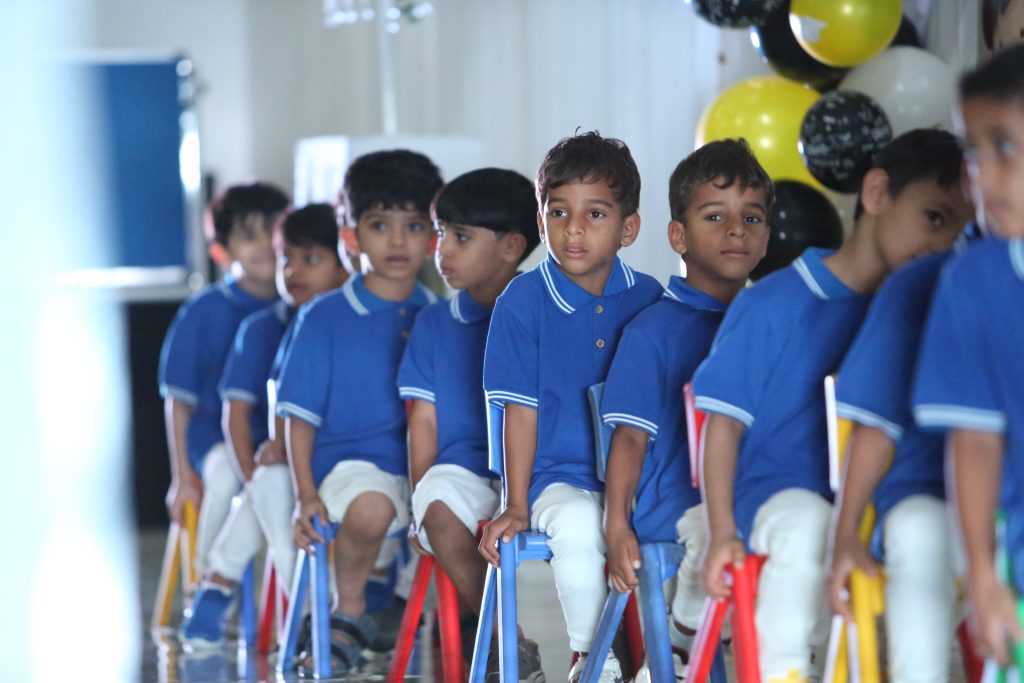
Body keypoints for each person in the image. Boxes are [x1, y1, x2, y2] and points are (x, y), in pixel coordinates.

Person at [693, 128, 973, 682]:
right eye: (934, 218)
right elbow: (720, 426)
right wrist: (721, 530)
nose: (944, 245)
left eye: (960, 231)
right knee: (809, 523)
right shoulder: (773, 303)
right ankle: (785, 671)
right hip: (779, 501)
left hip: (874, 506)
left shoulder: (921, 309)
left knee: (928, 538)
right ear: (877, 194)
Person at [479, 131, 662, 683]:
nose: (574, 228)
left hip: (639, 479)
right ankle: (593, 658)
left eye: (595, 214)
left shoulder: (650, 298)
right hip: (556, 479)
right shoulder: (522, 301)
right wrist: (515, 502)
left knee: (678, 527)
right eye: (558, 212)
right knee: (581, 525)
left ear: (628, 227)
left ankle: (668, 654)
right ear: (541, 222)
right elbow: (520, 411)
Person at [600, 139, 772, 675]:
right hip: (675, 504)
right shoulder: (653, 330)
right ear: (678, 235)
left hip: (752, 492)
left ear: (767, 236)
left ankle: (781, 653)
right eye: (715, 216)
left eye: (751, 217)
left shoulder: (768, 321)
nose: (736, 229)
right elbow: (629, 439)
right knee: (713, 529)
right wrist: (616, 524)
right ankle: (682, 636)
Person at [276, 150, 442, 675]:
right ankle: (347, 611)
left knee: (463, 512)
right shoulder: (323, 316)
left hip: (421, 471)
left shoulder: (437, 315)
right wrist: (304, 494)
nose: (398, 241)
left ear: (433, 237)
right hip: (348, 470)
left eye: (413, 225)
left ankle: (443, 619)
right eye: (380, 225)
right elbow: (297, 417)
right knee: (371, 508)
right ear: (351, 236)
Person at [180, 203, 349, 646]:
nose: (292, 271)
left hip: (336, 463)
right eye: (285, 259)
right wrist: (257, 470)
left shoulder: (343, 324)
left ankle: (219, 581)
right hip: (285, 463)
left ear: (345, 264)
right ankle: (309, 619)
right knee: (269, 483)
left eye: (310, 259)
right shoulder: (269, 326)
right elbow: (241, 411)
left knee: (271, 486)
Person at [398, 167, 543, 676]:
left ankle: (606, 655)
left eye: (460, 237)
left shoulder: (547, 310)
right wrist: (420, 500)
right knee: (438, 504)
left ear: (511, 247)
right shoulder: (434, 323)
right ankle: (507, 639)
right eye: (441, 234)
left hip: (545, 473)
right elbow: (423, 424)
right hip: (469, 474)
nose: (443, 250)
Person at [913, 44, 1024, 668]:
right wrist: (982, 576)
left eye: (1004, 146)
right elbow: (975, 441)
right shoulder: (974, 282)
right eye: (973, 152)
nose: (980, 175)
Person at [159, 182, 288, 581]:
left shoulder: (296, 308)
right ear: (221, 251)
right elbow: (178, 401)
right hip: (212, 439)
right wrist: (182, 476)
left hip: (272, 440)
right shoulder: (203, 310)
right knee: (226, 474)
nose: (265, 244)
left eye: (272, 232)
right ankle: (206, 583)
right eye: (249, 236)